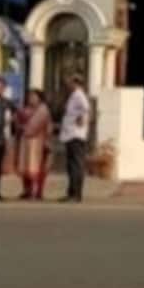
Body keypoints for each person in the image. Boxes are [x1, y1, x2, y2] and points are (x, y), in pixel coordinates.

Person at [16, 89, 53, 201]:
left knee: (38, 168)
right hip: (25, 142)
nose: (31, 98)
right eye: (29, 96)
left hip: (39, 142)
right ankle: (27, 191)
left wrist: (47, 140)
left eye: (34, 96)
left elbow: (49, 126)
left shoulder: (43, 110)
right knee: (25, 167)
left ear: (39, 98)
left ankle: (38, 192)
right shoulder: (23, 110)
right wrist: (20, 127)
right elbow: (17, 123)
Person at [61, 74, 92, 203]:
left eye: (70, 82)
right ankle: (71, 193)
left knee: (76, 166)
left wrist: (81, 119)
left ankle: (76, 194)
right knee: (71, 165)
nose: (68, 85)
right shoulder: (74, 95)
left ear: (76, 83)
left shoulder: (79, 95)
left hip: (76, 134)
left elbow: (86, 109)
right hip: (70, 134)